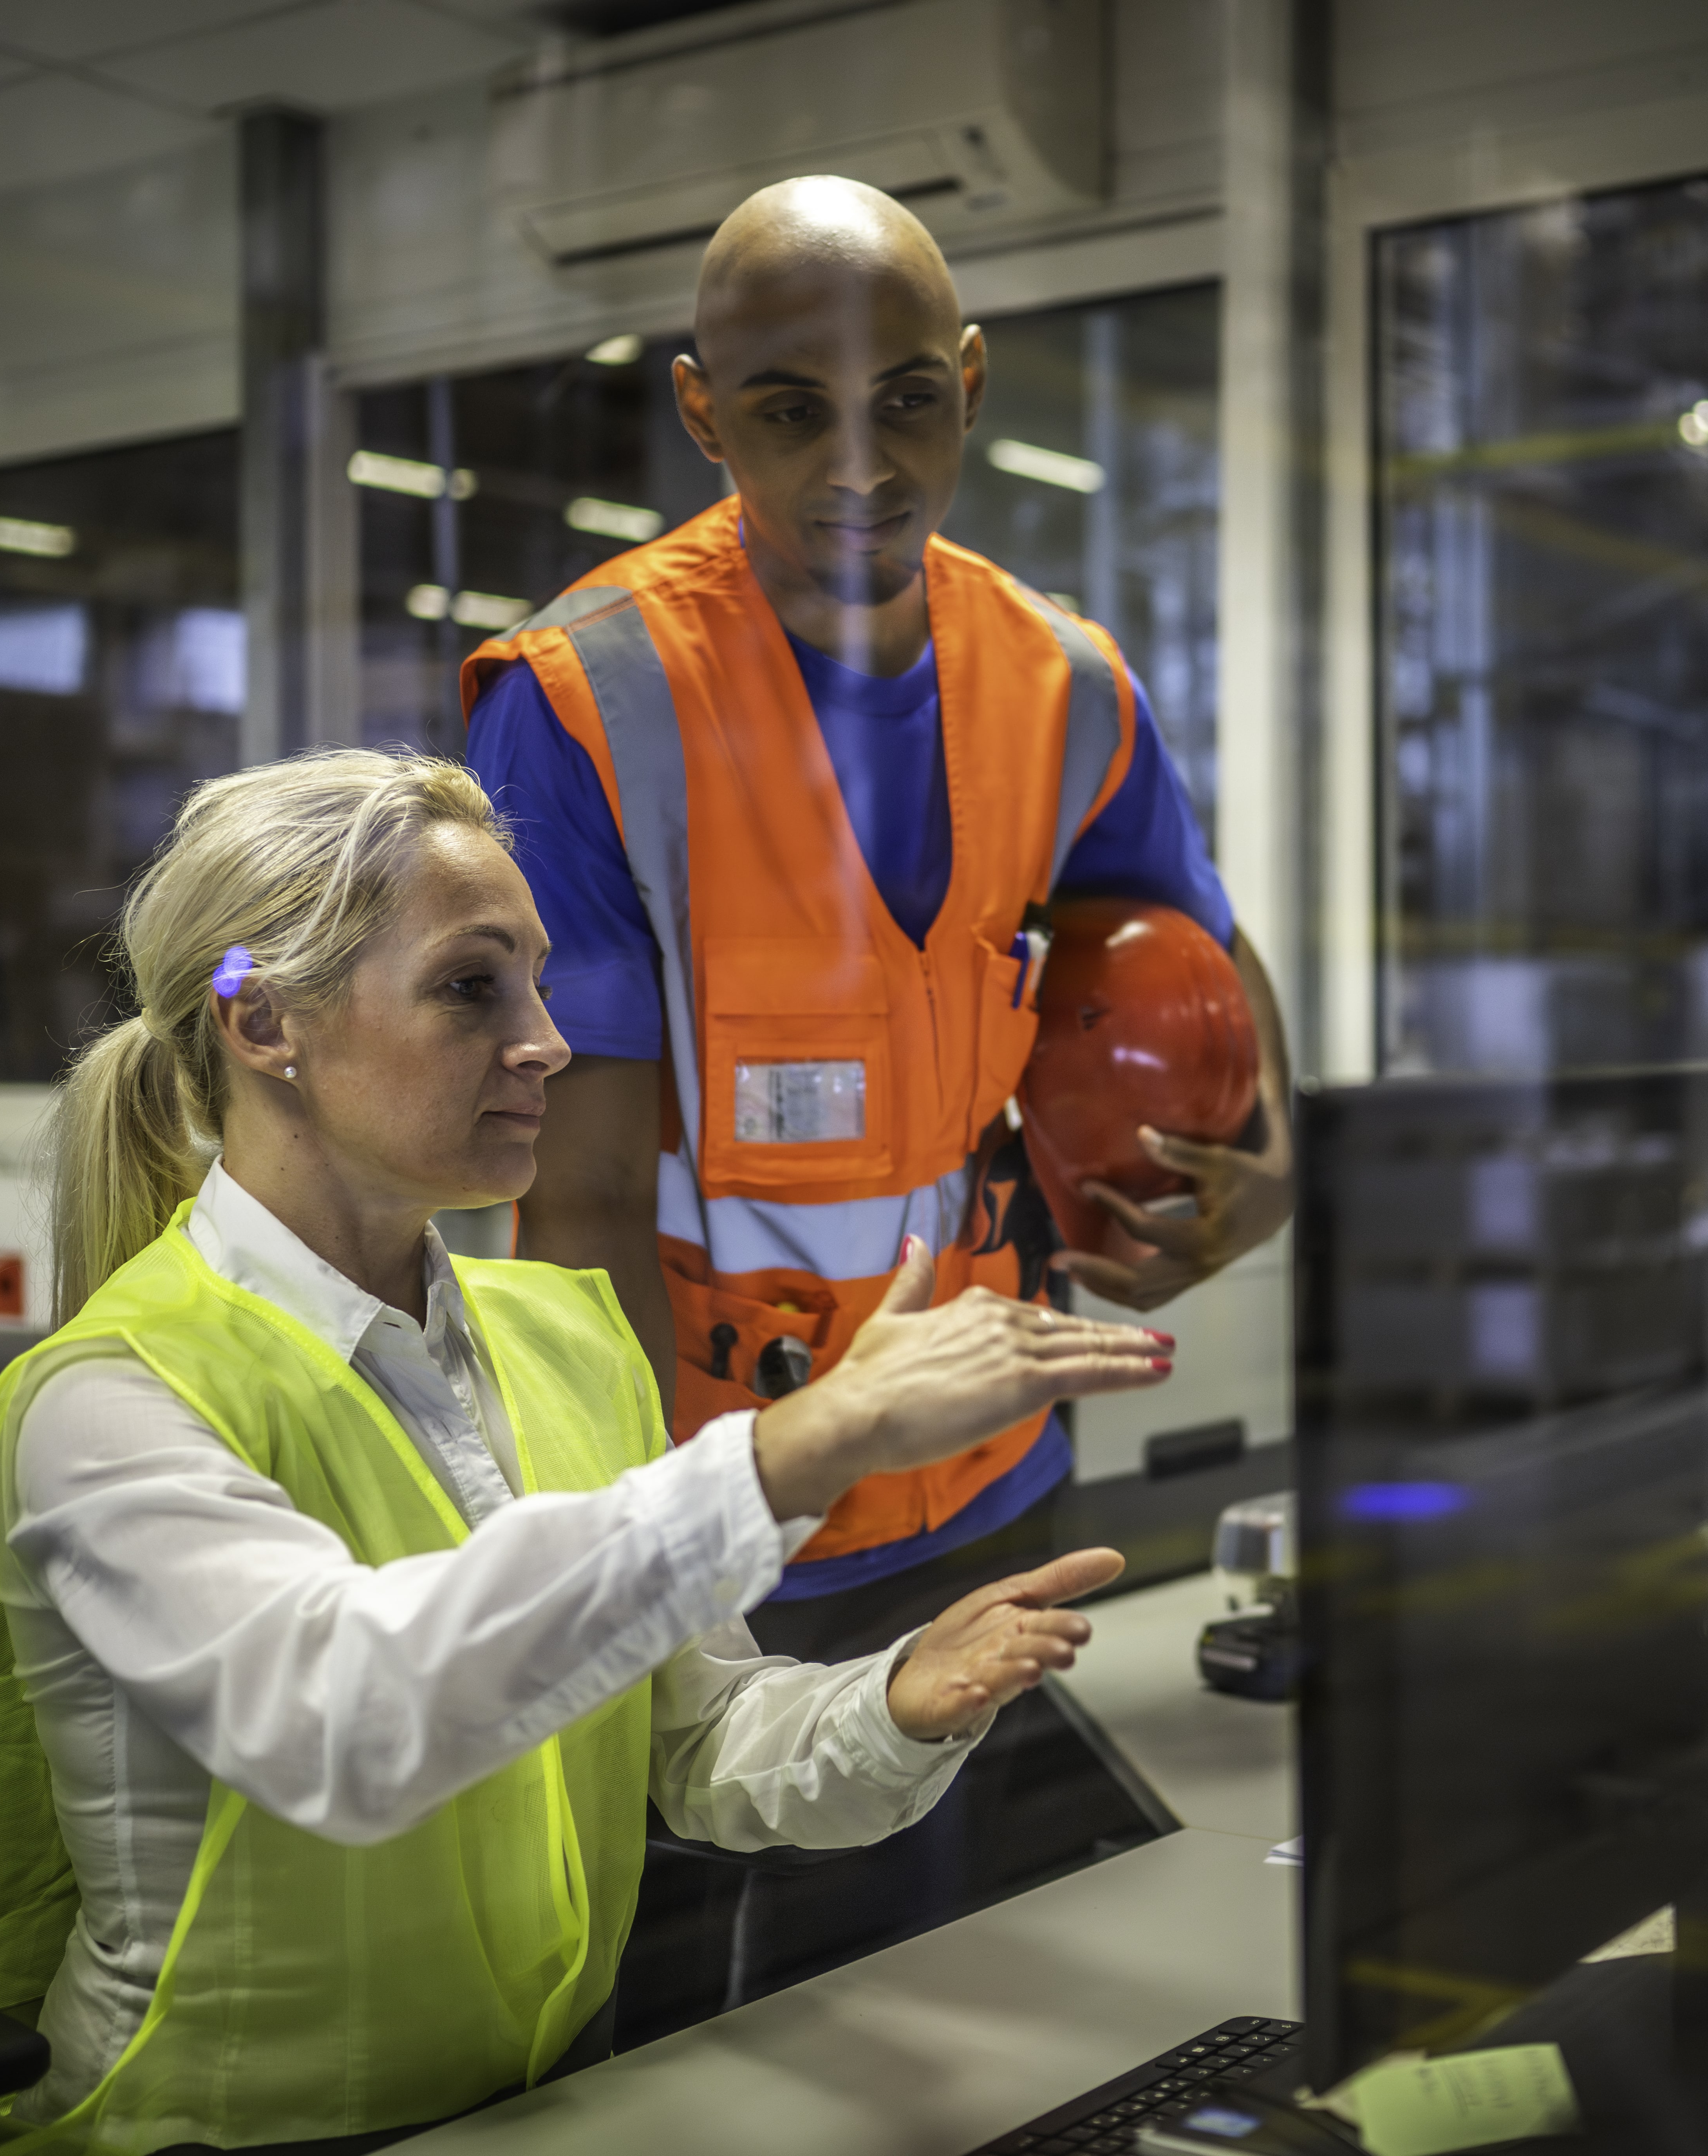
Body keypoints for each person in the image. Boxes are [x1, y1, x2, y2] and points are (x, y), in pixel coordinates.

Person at [0, 747, 1171, 2156]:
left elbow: (694, 1738)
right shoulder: (109, 1401)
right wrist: (796, 1450)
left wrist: (890, 1709)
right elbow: (348, 1720)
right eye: (472, 987)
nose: (549, 1043)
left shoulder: (561, 1337)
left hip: (555, 2102)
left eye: (539, 984)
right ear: (263, 1021)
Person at [464, 176, 1293, 1659]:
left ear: (968, 384)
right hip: (739, 1523)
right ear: (704, 414)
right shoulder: (587, 705)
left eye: (907, 401)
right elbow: (577, 1200)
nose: (862, 465)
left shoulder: (1067, 686)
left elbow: (1207, 942)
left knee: (984, 1820)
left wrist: (1275, 1160)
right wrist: (642, 1566)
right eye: (792, 413)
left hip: (1003, 1472)